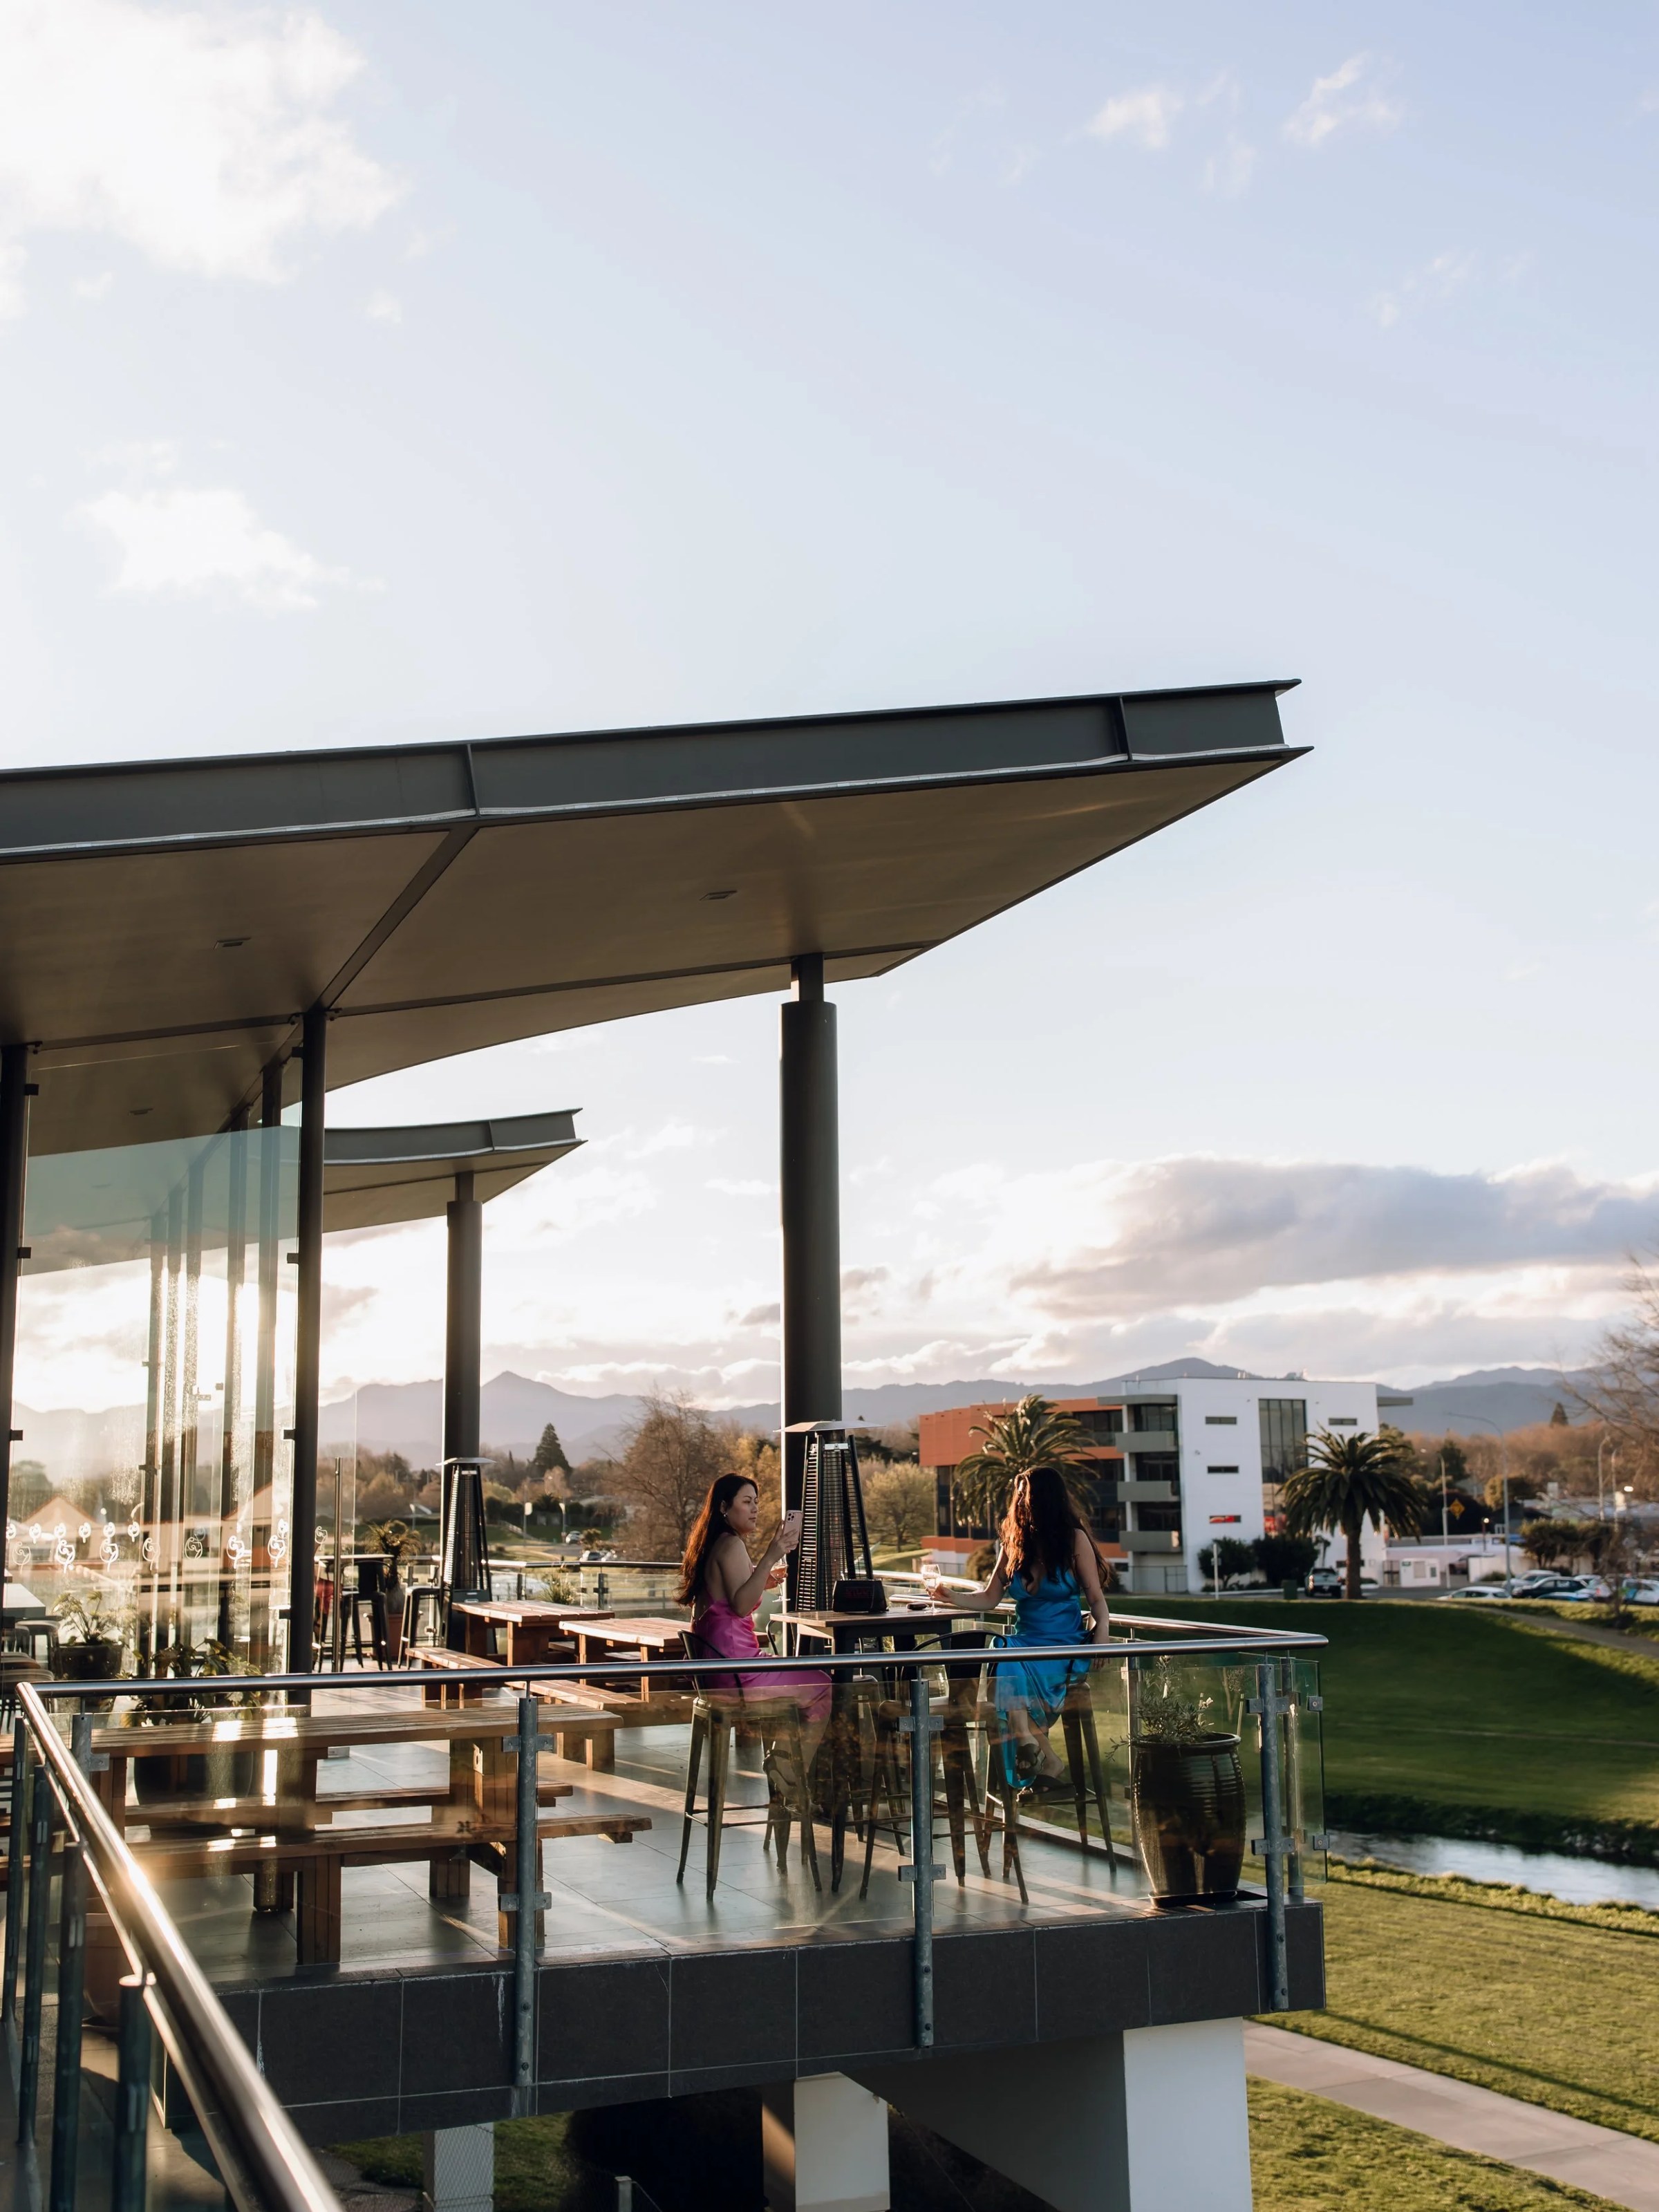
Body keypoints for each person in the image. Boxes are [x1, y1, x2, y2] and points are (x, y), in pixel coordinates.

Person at [953, 1463, 1112, 1790]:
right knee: (1006, 1653)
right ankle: (1040, 1752)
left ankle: (1038, 1752)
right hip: (1027, 1642)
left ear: (1045, 1500)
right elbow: (988, 1599)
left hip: (1064, 1644)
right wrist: (949, 1594)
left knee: (1007, 1665)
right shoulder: (1013, 1543)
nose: (1020, 1502)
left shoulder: (1074, 1540)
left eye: (1026, 1496)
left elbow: (1096, 1599)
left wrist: (1102, 1636)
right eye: (1019, 1496)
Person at [678, 1474, 833, 1756]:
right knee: (821, 1683)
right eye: (747, 1502)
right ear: (724, 1507)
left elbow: (729, 1594)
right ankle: (787, 1769)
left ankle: (784, 1764)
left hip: (715, 1675)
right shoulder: (731, 1545)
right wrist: (769, 1557)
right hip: (736, 1675)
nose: (755, 1509)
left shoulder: (712, 1544)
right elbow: (739, 1606)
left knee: (803, 1678)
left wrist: (760, 1577)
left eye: (756, 1503)